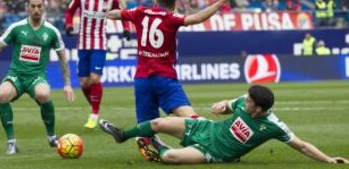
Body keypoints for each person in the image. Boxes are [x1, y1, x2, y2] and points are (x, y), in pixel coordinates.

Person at [105, 0, 236, 160]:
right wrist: (222, 1)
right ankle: (216, 146)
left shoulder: (140, 11)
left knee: (146, 126)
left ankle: (149, 145)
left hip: (142, 79)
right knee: (192, 120)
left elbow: (115, 14)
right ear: (173, 5)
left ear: (155, 1)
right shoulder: (171, 17)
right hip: (165, 79)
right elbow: (197, 18)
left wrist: (104, 13)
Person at [99, 85, 349, 164]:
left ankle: (157, 148)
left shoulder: (273, 125)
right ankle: (123, 134)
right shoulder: (244, 101)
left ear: (260, 109)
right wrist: (221, 105)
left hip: (214, 152)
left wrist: (327, 159)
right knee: (156, 122)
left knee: (171, 157)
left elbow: (302, 146)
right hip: (206, 128)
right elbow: (228, 105)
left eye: (250, 101)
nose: (245, 101)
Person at [0, 0, 75, 155]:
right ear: (27, 7)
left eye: (39, 6)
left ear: (44, 7)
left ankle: (52, 137)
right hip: (16, 75)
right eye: (33, 6)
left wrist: (68, 84)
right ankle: (11, 142)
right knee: (2, 93)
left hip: (36, 76)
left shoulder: (51, 31)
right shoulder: (16, 27)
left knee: (44, 94)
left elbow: (63, 58)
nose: (36, 9)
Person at [65, 0, 130, 129]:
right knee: (84, 83)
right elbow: (70, 11)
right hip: (83, 44)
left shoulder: (111, 0)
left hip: (99, 44)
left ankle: (94, 113)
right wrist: (68, 24)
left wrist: (126, 27)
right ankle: (94, 106)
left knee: (94, 78)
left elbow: (123, 13)